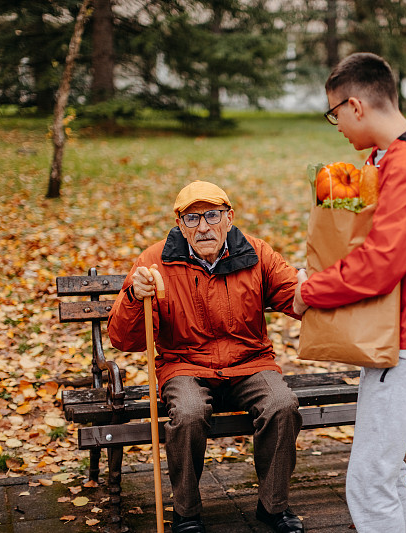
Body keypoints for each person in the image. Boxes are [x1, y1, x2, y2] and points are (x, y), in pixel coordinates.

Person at [292, 52, 406, 533]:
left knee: (369, 481)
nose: (337, 127)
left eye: (335, 114)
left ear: (356, 105)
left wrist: (312, 291)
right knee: (386, 473)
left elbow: (380, 264)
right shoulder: (395, 157)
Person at [108, 181, 305, 533]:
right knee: (187, 413)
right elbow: (124, 339)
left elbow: (296, 299)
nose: (203, 227)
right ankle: (186, 512)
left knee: (282, 404)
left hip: (250, 363)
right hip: (185, 365)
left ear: (229, 218)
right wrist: (135, 298)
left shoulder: (258, 254)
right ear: (180, 224)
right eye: (192, 218)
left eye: (212, 215)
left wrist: (315, 288)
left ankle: (273, 507)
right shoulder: (155, 262)